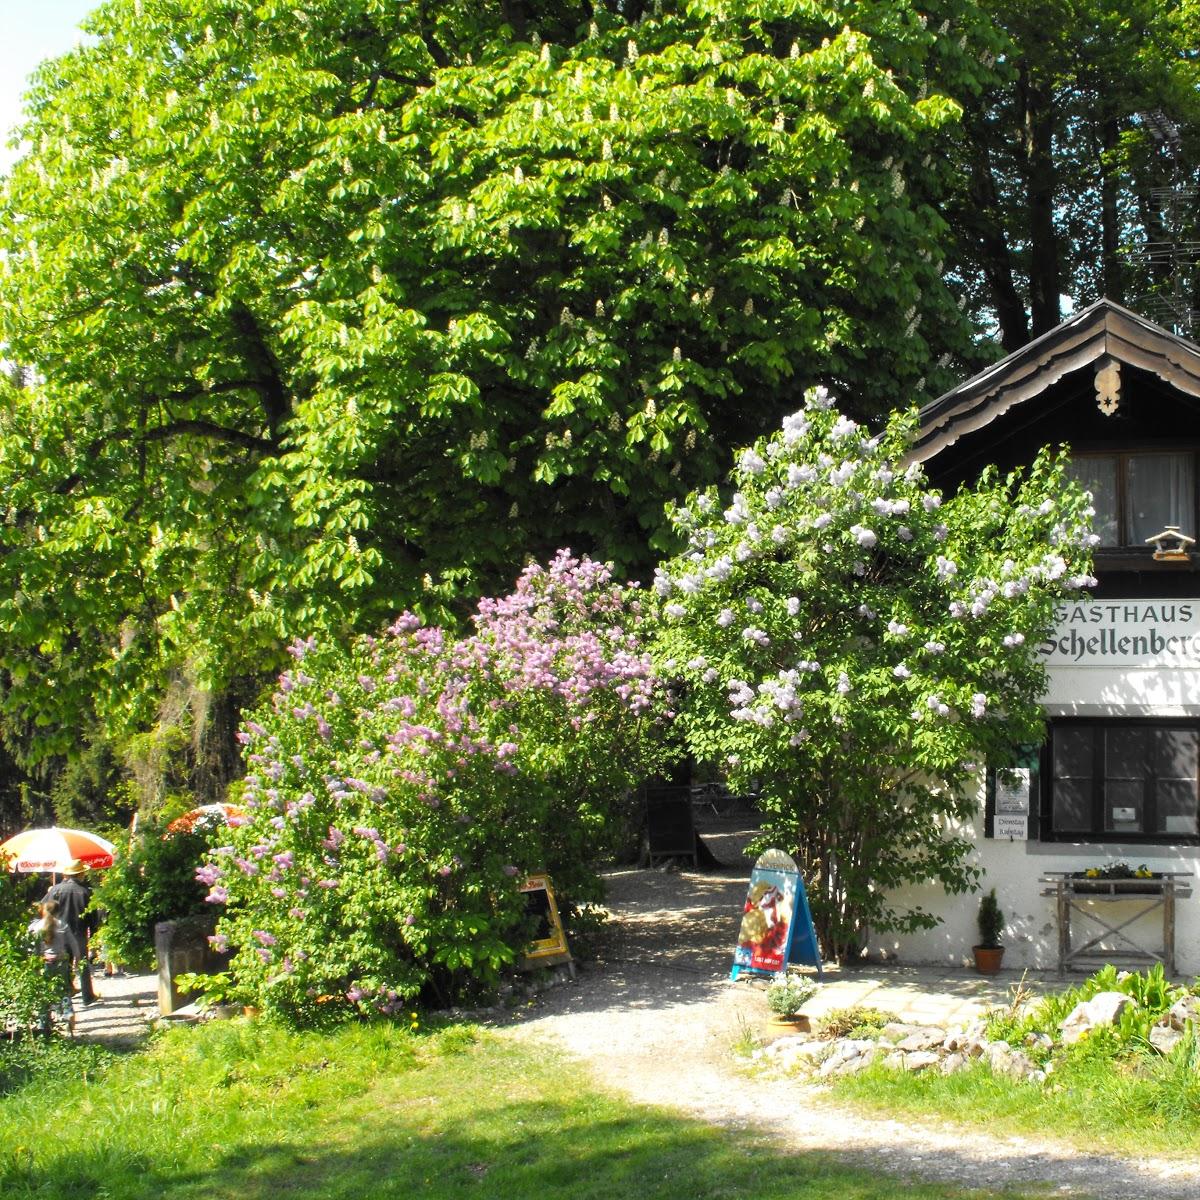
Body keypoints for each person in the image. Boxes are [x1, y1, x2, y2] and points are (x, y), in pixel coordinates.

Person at [42, 859, 97, 1005]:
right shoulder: (85, 891)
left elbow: (44, 907)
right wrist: (94, 933)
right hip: (79, 932)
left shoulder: (55, 890)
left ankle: (65, 994)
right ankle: (87, 996)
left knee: (63, 964)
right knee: (83, 963)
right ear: (80, 874)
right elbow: (93, 916)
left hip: (58, 932)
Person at [28, 899, 79, 1035]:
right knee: (64, 992)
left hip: (46, 963)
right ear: (59, 911)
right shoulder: (62, 924)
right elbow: (74, 946)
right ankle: (68, 1020)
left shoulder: (38, 926)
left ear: (44, 910)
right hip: (61, 962)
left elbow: (34, 949)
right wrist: (76, 962)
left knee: (44, 994)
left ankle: (43, 1024)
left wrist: (34, 966)